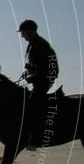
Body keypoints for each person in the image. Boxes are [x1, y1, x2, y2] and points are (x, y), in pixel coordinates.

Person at [19, 19, 58, 148]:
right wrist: (27, 72)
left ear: (30, 32)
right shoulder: (32, 44)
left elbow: (45, 68)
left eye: (23, 33)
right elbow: (33, 65)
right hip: (39, 79)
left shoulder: (40, 45)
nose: (22, 36)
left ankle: (33, 137)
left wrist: (33, 77)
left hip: (44, 80)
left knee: (32, 104)